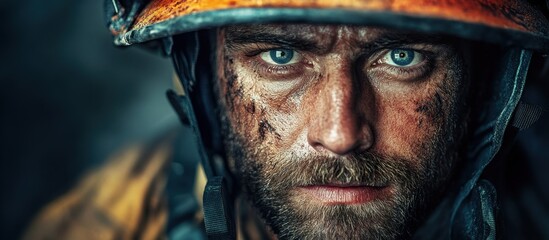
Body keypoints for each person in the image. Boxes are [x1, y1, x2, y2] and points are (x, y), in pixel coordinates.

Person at [24, 1, 549, 239]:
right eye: (279, 57)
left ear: (487, 83)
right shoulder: (103, 225)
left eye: (402, 59)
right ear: (206, 79)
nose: (340, 135)